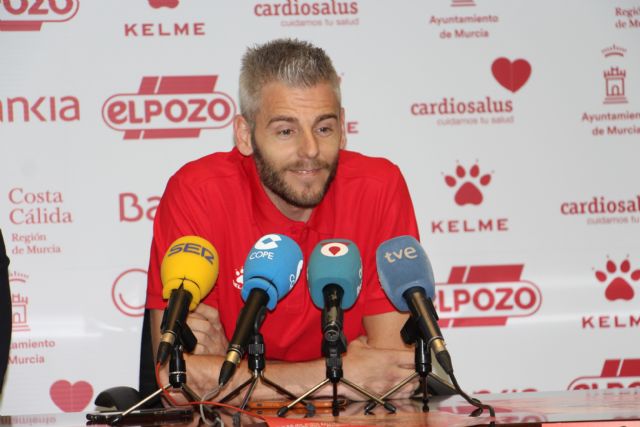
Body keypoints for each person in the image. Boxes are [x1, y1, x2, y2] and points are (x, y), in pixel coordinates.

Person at [145, 38, 421, 402]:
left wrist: (232, 365)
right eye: (286, 131)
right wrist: (339, 376)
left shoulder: (378, 188)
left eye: (324, 128)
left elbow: (391, 379)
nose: (310, 150)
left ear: (343, 125)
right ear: (245, 135)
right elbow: (178, 383)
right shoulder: (199, 192)